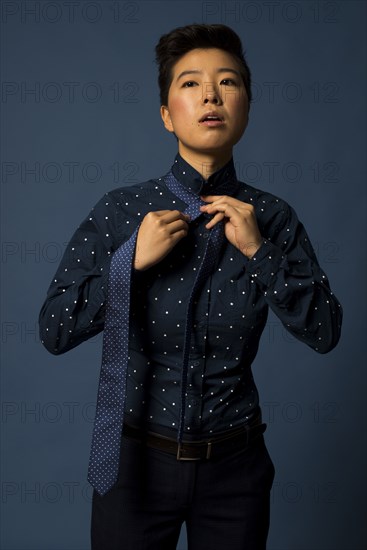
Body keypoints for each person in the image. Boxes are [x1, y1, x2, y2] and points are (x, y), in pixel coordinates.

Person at [39, 24, 342, 550]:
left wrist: (258, 252)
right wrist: (127, 263)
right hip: (132, 468)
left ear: (245, 106)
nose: (210, 95)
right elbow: (54, 328)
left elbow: (325, 330)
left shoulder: (271, 218)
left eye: (228, 82)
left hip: (236, 473)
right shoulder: (121, 212)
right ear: (165, 115)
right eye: (190, 83)